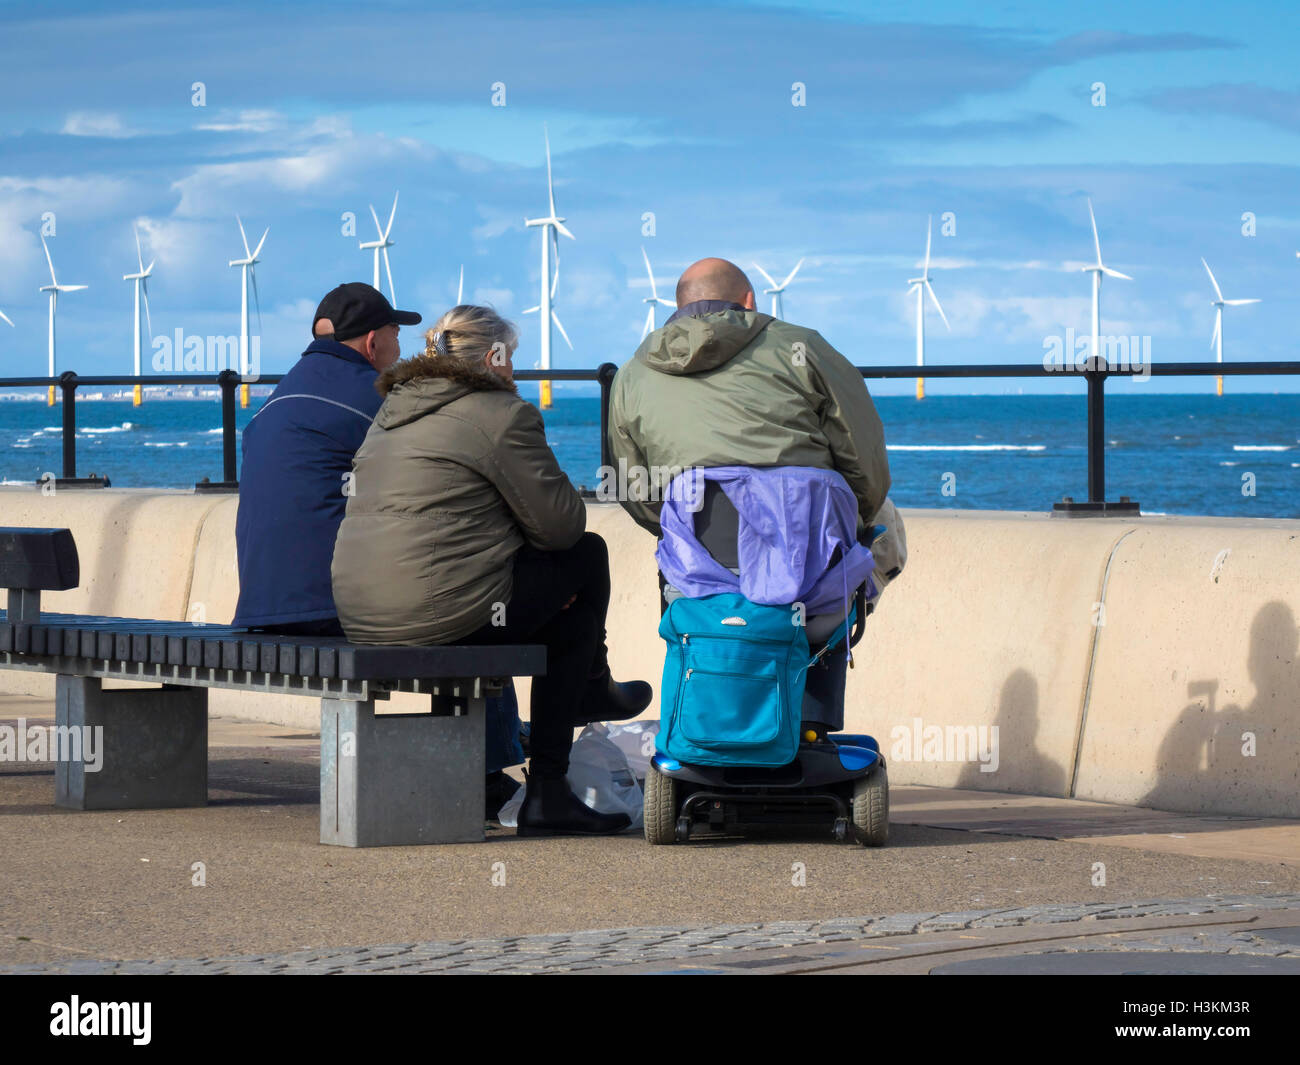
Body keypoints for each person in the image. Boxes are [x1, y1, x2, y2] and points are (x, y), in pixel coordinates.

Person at [331, 304, 652, 837]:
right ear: (493, 357)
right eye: (513, 357)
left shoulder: (392, 412)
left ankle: (559, 768)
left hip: (363, 615)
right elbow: (561, 528)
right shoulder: (499, 413)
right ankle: (577, 723)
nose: (517, 371)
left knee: (569, 625)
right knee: (588, 554)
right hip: (438, 615)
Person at [232, 283, 525, 817]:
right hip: (330, 604)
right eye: (395, 332)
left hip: (261, 605)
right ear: (372, 342)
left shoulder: (279, 396)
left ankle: (500, 754)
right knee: (477, 609)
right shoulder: (376, 398)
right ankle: (489, 772)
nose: (402, 346)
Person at [608, 257, 902, 734]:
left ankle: (707, 709)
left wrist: (682, 527)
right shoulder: (802, 347)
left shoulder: (633, 373)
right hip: (810, 579)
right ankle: (810, 714)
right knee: (878, 530)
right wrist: (856, 518)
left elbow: (635, 489)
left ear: (676, 305)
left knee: (676, 533)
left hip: (703, 582)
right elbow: (865, 457)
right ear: (749, 303)